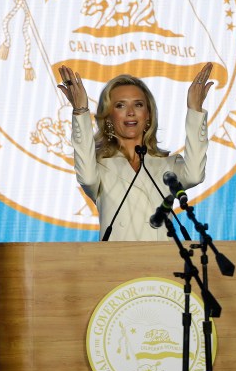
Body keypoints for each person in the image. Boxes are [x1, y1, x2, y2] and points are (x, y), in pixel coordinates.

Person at [57, 63, 214, 241]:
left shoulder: (169, 164)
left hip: (163, 265)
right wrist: (80, 111)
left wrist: (195, 110)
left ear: (148, 115)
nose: (131, 112)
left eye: (138, 105)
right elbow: (86, 178)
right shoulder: (99, 166)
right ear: (108, 116)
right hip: (116, 265)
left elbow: (194, 175)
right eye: (120, 106)